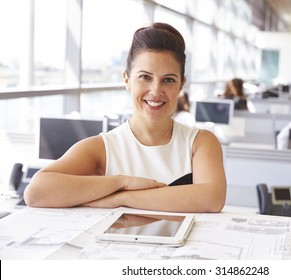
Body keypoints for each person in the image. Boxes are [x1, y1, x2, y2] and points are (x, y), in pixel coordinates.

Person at [24, 23, 227, 213]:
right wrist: (122, 182)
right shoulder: (102, 148)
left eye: (168, 80)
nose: (156, 91)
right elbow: (36, 192)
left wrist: (123, 199)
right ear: (127, 80)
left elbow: (212, 199)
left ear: (181, 84)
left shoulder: (200, 143)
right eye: (145, 77)